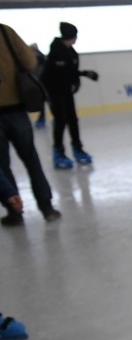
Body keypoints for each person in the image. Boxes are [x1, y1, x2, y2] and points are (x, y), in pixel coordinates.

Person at [0, 23, 61, 225]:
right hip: (16, 109)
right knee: (31, 158)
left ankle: (14, 210)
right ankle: (47, 208)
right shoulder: (5, 31)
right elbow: (29, 61)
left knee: (2, 166)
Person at [41, 22, 98, 170]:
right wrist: (82, 74)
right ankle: (58, 153)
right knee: (60, 120)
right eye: (74, 36)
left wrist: (82, 76)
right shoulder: (56, 52)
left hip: (66, 91)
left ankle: (77, 149)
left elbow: (70, 71)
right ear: (70, 36)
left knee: (72, 119)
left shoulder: (71, 52)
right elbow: (61, 73)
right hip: (54, 92)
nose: (76, 39)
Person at [29, 43, 47, 128]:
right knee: (42, 103)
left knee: (47, 102)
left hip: (44, 84)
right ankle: (42, 118)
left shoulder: (41, 60)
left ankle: (42, 119)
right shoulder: (34, 61)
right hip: (39, 85)